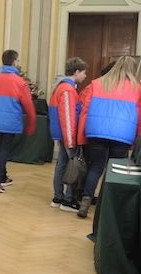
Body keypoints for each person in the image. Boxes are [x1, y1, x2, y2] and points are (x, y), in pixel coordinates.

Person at [75, 55, 141, 218]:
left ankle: (85, 203)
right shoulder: (137, 88)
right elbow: (139, 117)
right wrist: (135, 139)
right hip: (122, 134)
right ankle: (108, 205)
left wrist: (81, 136)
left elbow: (85, 111)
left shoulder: (97, 83)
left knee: (96, 167)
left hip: (95, 132)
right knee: (114, 171)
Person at [0, 49, 37, 193]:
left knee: (2, 147)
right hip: (10, 121)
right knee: (4, 150)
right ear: (14, 62)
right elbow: (29, 106)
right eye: (18, 60)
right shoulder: (20, 82)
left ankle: (3, 177)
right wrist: (31, 124)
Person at [48, 57, 87, 212]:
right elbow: (68, 117)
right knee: (73, 166)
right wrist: (70, 140)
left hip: (61, 133)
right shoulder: (67, 90)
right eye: (83, 72)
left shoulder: (60, 87)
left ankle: (58, 197)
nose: (85, 76)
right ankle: (68, 199)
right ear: (76, 72)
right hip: (67, 135)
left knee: (62, 164)